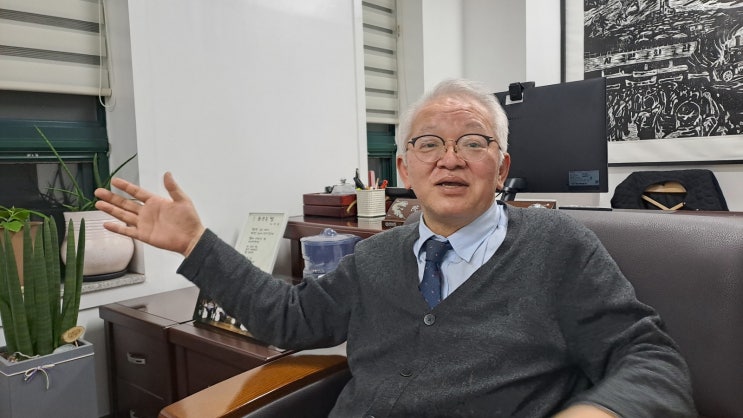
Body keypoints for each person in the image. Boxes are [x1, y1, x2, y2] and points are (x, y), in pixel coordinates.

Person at [94, 79, 696, 417]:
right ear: (404, 167)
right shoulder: (376, 256)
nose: (450, 159)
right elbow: (291, 320)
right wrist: (195, 243)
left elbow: (650, 359)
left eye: (474, 143)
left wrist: (597, 413)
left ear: (502, 166)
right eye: (429, 144)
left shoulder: (558, 246)